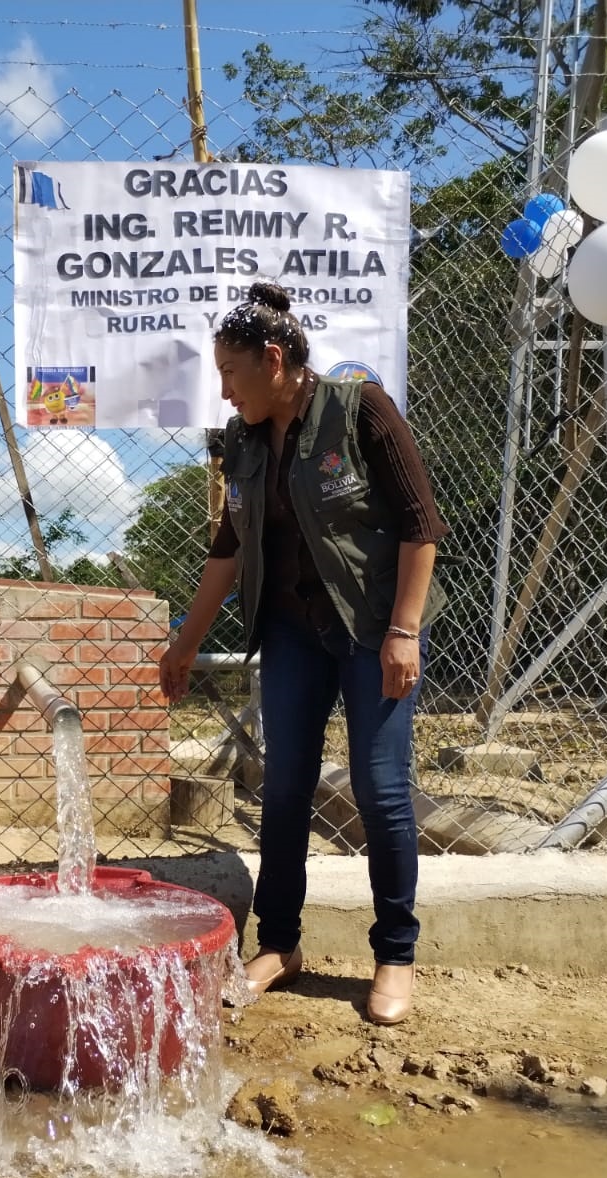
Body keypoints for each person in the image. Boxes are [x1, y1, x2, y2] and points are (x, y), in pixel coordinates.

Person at [159, 281, 448, 1025]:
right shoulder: (245, 443)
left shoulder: (362, 413)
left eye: (231, 373)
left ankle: (395, 954)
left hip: (373, 627)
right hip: (291, 633)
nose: (224, 393)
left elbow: (422, 526)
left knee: (381, 792)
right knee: (283, 787)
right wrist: (184, 648)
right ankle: (280, 946)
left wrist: (404, 632)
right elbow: (227, 552)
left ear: (276, 360)